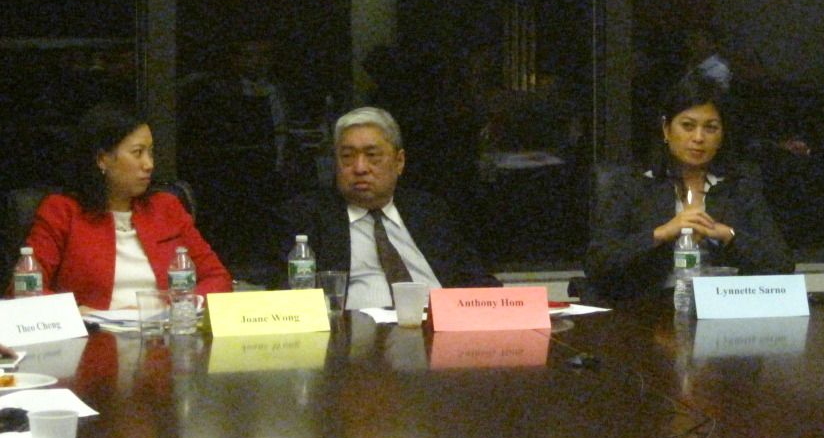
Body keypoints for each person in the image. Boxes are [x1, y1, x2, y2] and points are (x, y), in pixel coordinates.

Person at [585, 79, 793, 300]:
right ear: (666, 129)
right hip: (647, 308)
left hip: (723, 305)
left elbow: (782, 264)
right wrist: (660, 234)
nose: (699, 138)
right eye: (688, 126)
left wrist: (728, 235)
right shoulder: (633, 185)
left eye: (710, 128)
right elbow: (597, 265)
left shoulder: (739, 186)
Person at [278, 107, 499, 310]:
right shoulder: (305, 217)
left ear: (399, 162)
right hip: (355, 333)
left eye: (372, 155)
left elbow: (478, 280)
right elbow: (287, 297)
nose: (360, 168)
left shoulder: (428, 211)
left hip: (437, 325)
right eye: (347, 157)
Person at [24, 103, 233, 311]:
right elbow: (26, 291)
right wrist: (77, 313)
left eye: (151, 153)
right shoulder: (62, 211)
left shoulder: (166, 207)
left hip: (164, 327)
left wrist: (182, 307)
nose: (149, 164)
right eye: (138, 153)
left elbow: (217, 277)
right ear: (102, 159)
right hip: (93, 329)